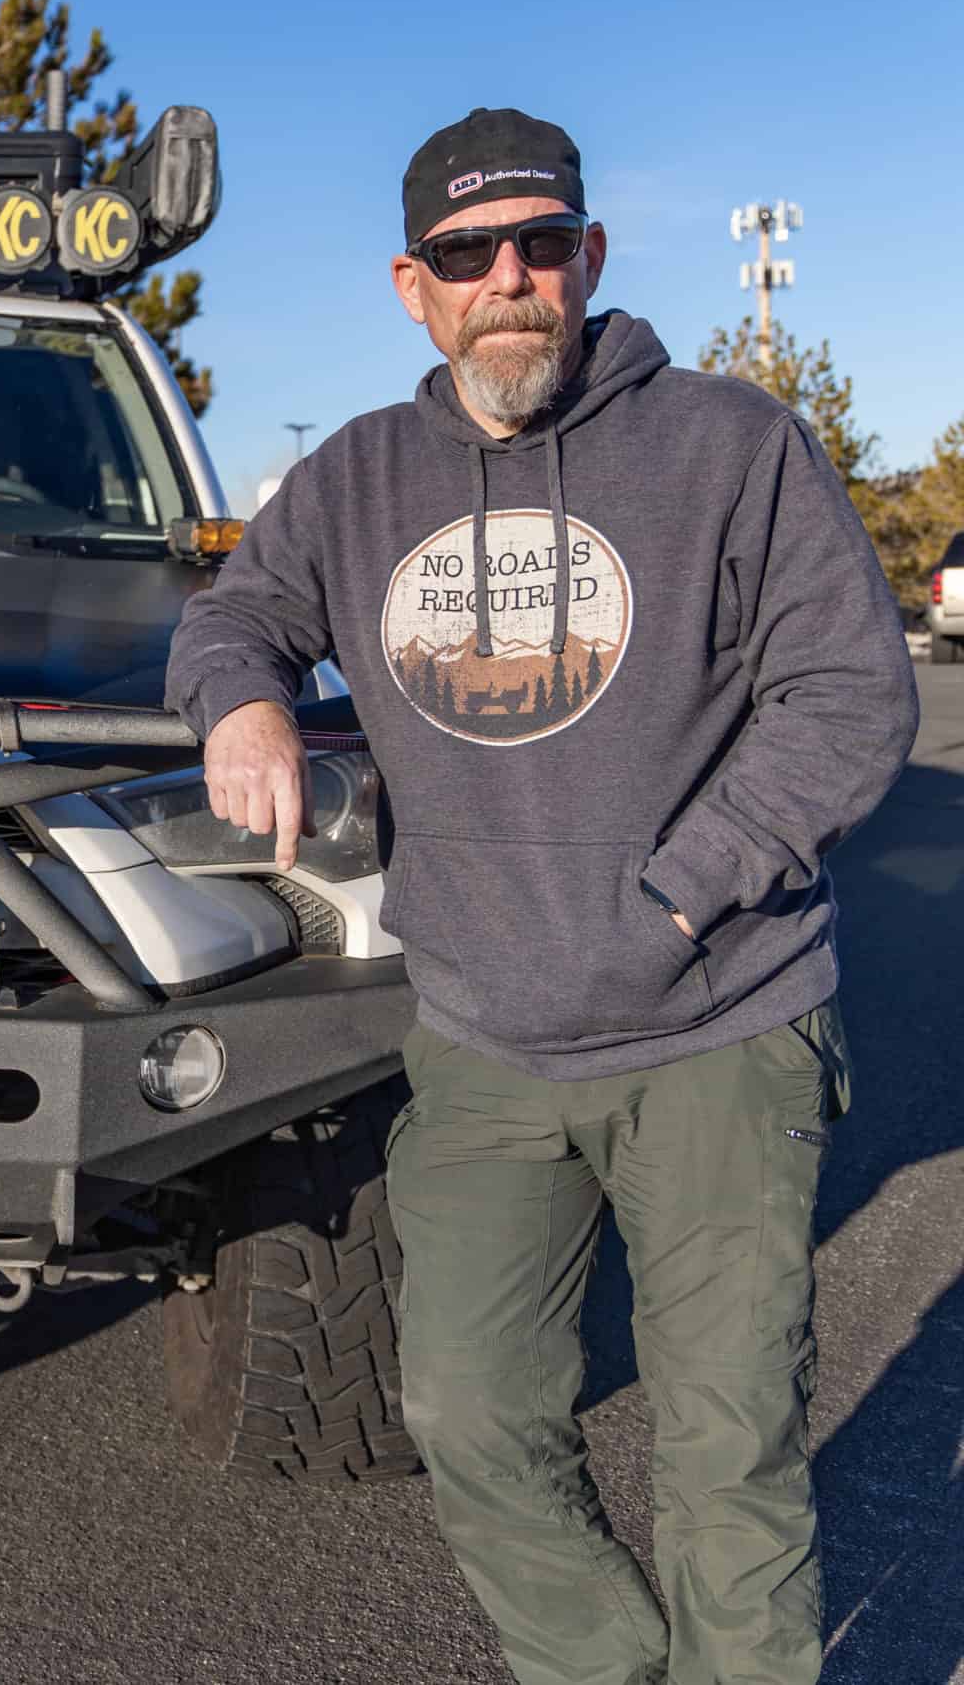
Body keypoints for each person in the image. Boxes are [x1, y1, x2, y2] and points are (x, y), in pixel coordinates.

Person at [166, 109, 917, 1685]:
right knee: (465, 1412)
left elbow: (851, 699)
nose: (509, 279)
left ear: (588, 258)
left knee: (729, 1451)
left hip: (720, 1023)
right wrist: (239, 702)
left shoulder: (727, 445)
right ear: (413, 284)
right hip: (485, 1046)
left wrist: (677, 898)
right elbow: (235, 613)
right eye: (466, 253)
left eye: (540, 243)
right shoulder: (360, 477)